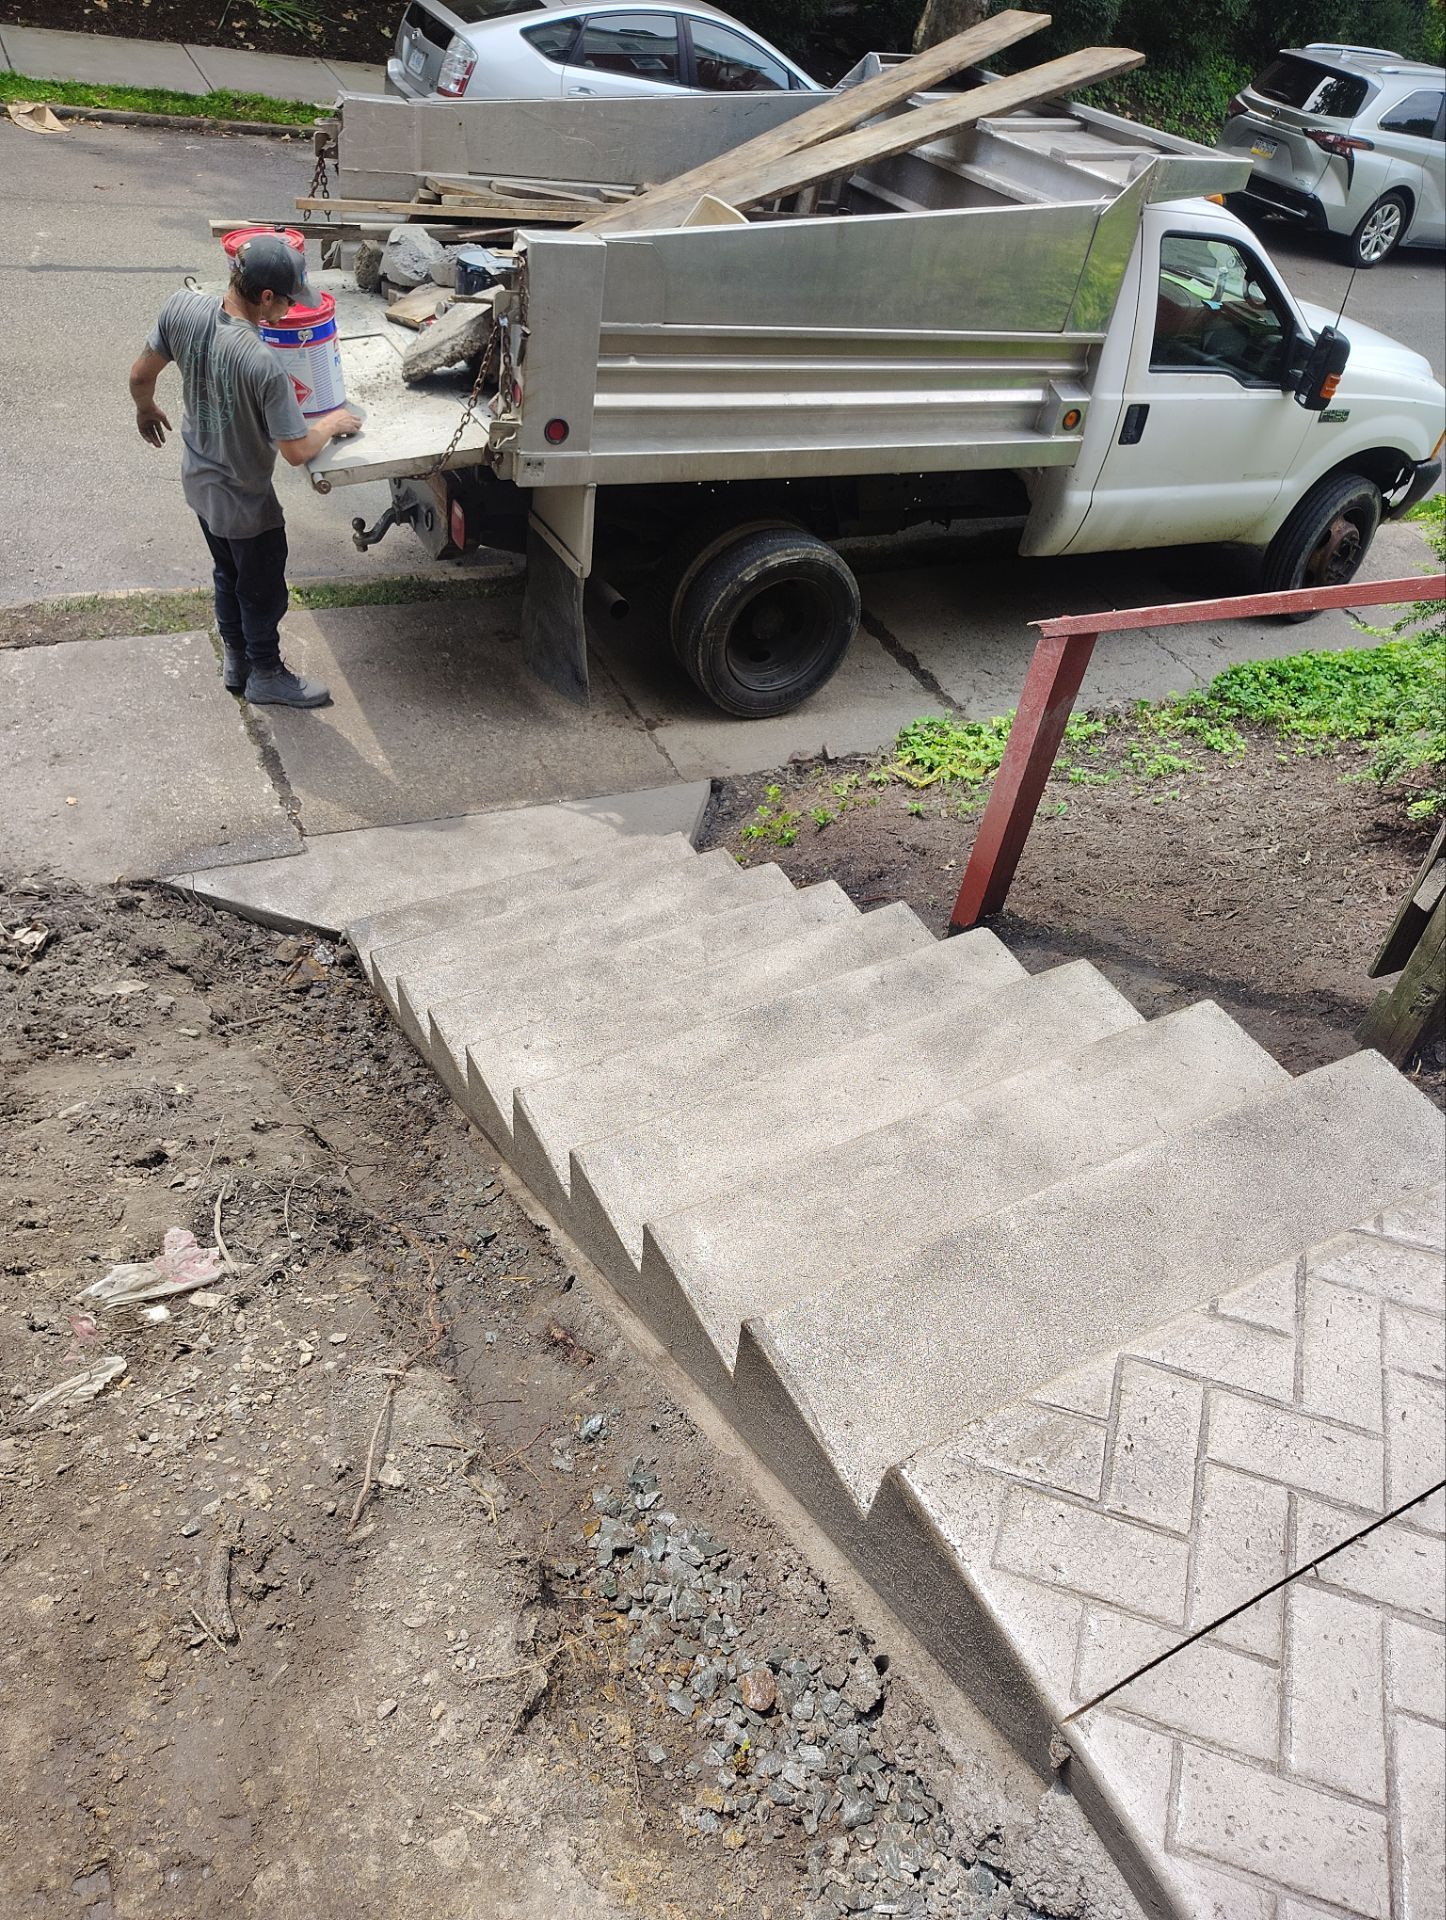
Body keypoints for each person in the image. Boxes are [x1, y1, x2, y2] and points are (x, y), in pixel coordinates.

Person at [129, 234, 361, 708]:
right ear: (267, 297)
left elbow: (139, 375)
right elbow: (296, 451)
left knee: (226, 572)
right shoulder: (262, 363)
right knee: (261, 591)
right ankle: (267, 674)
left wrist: (146, 408)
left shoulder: (181, 308)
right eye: (289, 300)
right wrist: (331, 422)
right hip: (246, 504)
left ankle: (236, 658)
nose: (292, 309)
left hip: (200, 485)